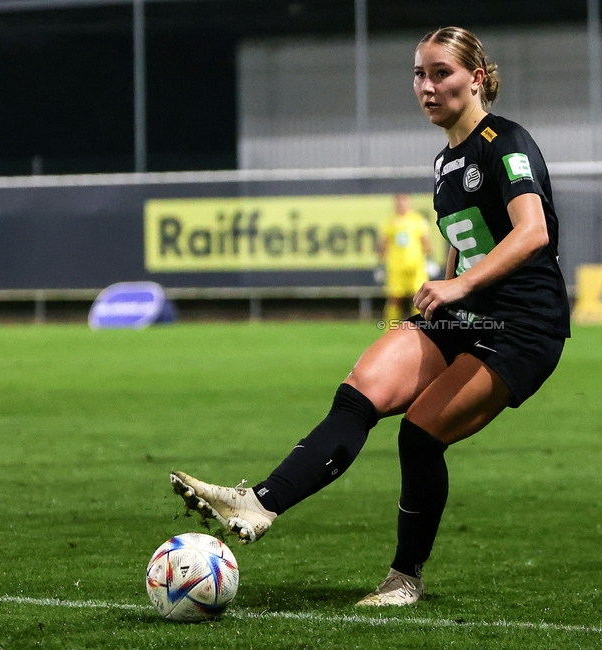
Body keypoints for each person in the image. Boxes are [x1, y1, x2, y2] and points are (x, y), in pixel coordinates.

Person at [168, 26, 570, 606]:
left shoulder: (502, 141)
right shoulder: (445, 160)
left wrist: (458, 284)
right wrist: (443, 285)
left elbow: (533, 234)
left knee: (421, 434)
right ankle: (257, 503)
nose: (426, 86)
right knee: (361, 392)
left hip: (524, 326)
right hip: (463, 313)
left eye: (441, 73)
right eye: (418, 74)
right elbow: (465, 238)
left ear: (476, 78)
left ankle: (405, 579)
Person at [378, 193, 432, 323]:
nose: (401, 205)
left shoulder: (417, 220)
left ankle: (421, 326)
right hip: (396, 267)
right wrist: (379, 265)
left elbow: (425, 242)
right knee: (395, 298)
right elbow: (384, 244)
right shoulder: (390, 222)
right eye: (399, 202)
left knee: (418, 297)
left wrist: (430, 260)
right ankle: (391, 328)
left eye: (404, 202)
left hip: (415, 266)